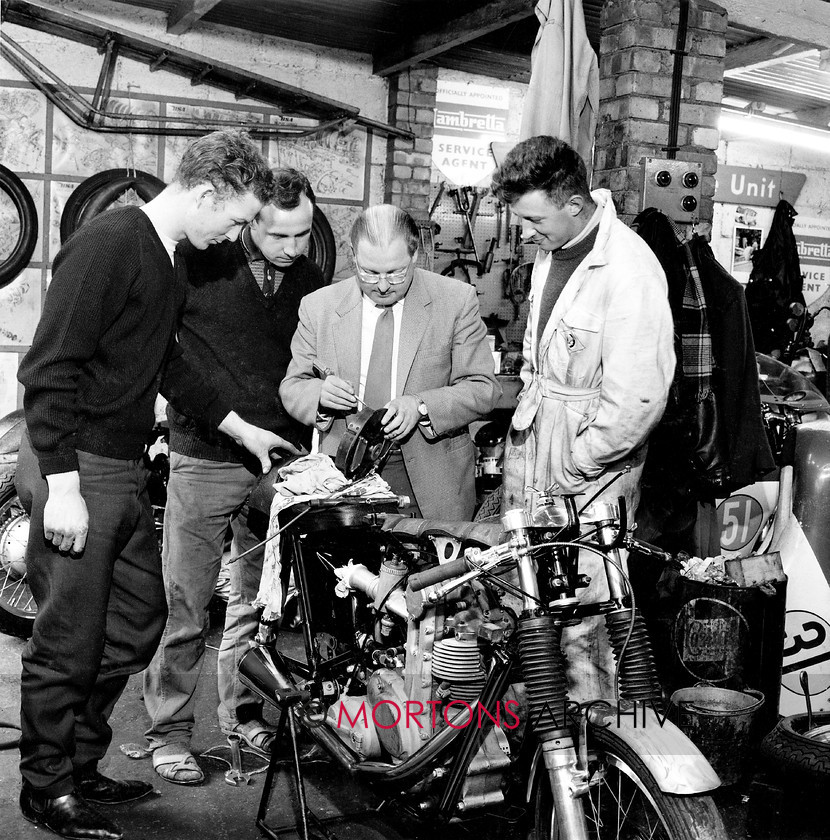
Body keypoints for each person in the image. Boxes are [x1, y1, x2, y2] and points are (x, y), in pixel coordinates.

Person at [15, 130, 297, 840]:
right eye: (235, 220)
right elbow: (48, 370)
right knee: (67, 639)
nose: (235, 236)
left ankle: (78, 761)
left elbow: (166, 364)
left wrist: (240, 427)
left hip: (123, 467)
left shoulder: (168, 259)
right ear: (206, 195)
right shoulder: (111, 244)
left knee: (138, 620)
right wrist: (64, 486)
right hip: (74, 465)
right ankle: (44, 788)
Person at [143, 169, 325, 785]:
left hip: (277, 463)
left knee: (256, 604)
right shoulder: (198, 264)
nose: (293, 247)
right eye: (280, 235)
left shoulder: (306, 277)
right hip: (202, 454)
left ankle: (242, 713)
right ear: (249, 221)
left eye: (303, 232)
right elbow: (170, 356)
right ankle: (168, 731)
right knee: (187, 605)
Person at [490, 135, 675, 699]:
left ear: (573, 202)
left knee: (587, 610)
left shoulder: (629, 269)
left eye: (533, 218)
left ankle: (597, 755)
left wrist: (578, 465)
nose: (524, 232)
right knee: (532, 597)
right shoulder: (555, 248)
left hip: (590, 473)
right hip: (539, 452)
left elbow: (639, 399)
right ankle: (545, 745)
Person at [280, 203, 500, 520]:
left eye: (396, 273)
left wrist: (422, 406)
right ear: (353, 256)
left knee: (435, 570)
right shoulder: (319, 307)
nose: (383, 285)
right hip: (346, 478)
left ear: (415, 256)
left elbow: (483, 388)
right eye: (369, 272)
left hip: (433, 480)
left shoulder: (455, 300)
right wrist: (320, 397)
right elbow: (293, 386)